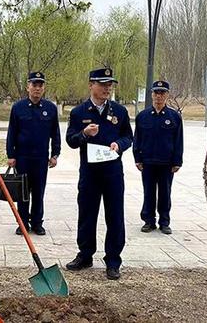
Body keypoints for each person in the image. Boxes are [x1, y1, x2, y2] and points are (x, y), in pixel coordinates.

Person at [64, 67, 133, 280]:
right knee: (87, 214)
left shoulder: (120, 112)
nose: (107, 88)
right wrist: (84, 133)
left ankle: (113, 260)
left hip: (112, 172)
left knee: (115, 217)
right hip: (90, 173)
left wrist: (118, 145)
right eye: (102, 84)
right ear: (91, 85)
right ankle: (85, 255)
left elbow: (128, 137)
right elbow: (71, 141)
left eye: (109, 84)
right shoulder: (79, 112)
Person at [6, 72, 61, 236]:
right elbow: (12, 133)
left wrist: (55, 154)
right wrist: (11, 155)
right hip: (22, 157)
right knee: (22, 192)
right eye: (34, 85)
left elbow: (55, 133)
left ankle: (37, 223)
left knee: (38, 192)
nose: (37, 88)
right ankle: (22, 223)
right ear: (27, 87)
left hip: (41, 158)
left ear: (44, 88)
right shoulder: (18, 107)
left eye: (40, 85)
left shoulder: (50, 108)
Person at [133, 80, 183, 235]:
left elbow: (179, 141)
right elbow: (137, 139)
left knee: (165, 193)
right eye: (156, 93)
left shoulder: (174, 117)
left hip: (166, 163)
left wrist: (177, 161)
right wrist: (137, 158)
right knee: (148, 192)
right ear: (152, 94)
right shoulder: (143, 116)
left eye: (162, 93)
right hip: (147, 162)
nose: (158, 96)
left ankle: (164, 221)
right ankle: (148, 221)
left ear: (167, 95)